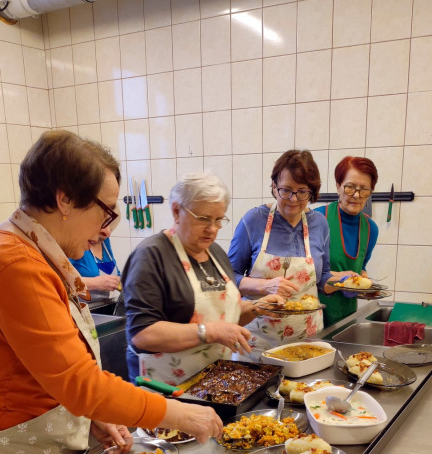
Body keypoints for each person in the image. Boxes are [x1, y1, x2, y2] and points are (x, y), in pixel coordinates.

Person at [0, 131, 222, 454]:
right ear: (65, 200)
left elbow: (55, 370)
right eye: (106, 211)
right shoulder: (17, 264)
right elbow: (78, 381)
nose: (105, 229)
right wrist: (175, 414)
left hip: (52, 446)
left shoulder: (37, 253)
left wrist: (89, 414)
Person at [122, 173, 283, 384]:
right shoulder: (151, 256)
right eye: (204, 219)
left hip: (212, 383)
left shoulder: (215, 253)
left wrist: (257, 307)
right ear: (176, 211)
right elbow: (142, 334)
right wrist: (209, 331)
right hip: (165, 390)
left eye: (219, 219)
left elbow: (224, 319)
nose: (213, 229)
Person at [228, 149, 355, 358]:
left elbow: (322, 279)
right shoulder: (253, 221)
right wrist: (264, 285)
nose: (293, 199)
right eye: (286, 190)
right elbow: (227, 277)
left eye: (302, 191)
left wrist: (343, 282)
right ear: (274, 186)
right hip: (258, 342)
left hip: (307, 340)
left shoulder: (319, 224)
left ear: (312, 192)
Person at [315, 156, 379, 327]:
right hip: (313, 316)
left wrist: (363, 281)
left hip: (347, 317)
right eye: (350, 187)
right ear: (338, 186)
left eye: (364, 190)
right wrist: (342, 278)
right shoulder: (317, 219)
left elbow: (360, 268)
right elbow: (304, 273)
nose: (357, 195)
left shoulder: (370, 229)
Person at [69, 223, 121, 301]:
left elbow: (116, 274)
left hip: (101, 306)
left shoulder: (105, 241)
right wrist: (95, 283)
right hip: (80, 308)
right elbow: (62, 281)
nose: (108, 232)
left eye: (109, 224)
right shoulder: (73, 242)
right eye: (103, 223)